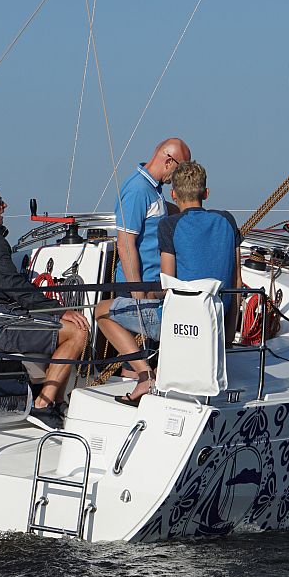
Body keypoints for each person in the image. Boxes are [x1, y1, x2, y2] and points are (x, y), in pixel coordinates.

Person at [0, 175, 90, 428]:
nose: (4, 206)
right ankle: (43, 406)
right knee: (77, 332)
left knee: (56, 330)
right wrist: (57, 310)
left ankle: (49, 399)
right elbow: (9, 282)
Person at [95, 136, 190, 402]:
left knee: (137, 353)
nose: (179, 176)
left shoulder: (153, 189)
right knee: (103, 315)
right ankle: (145, 378)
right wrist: (137, 292)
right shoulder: (137, 190)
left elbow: (160, 211)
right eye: (180, 169)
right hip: (140, 286)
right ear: (168, 159)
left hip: (152, 286)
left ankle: (140, 382)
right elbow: (125, 244)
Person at [159, 160, 243, 340]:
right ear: (206, 193)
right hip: (217, 319)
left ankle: (144, 368)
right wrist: (228, 338)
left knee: (104, 311)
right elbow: (237, 280)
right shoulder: (228, 220)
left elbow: (168, 285)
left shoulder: (168, 225)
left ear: (173, 194)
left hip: (184, 324)